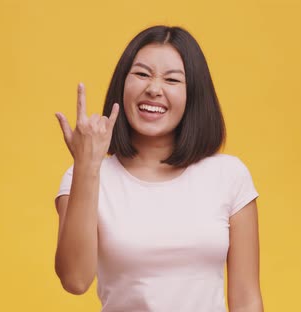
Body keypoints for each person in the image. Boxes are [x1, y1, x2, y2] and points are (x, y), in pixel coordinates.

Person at [53, 25, 264, 312]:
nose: (153, 89)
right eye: (141, 74)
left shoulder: (229, 176)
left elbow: (247, 300)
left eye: (172, 80)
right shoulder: (84, 177)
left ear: (194, 95)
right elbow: (75, 280)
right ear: (122, 85)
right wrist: (87, 166)